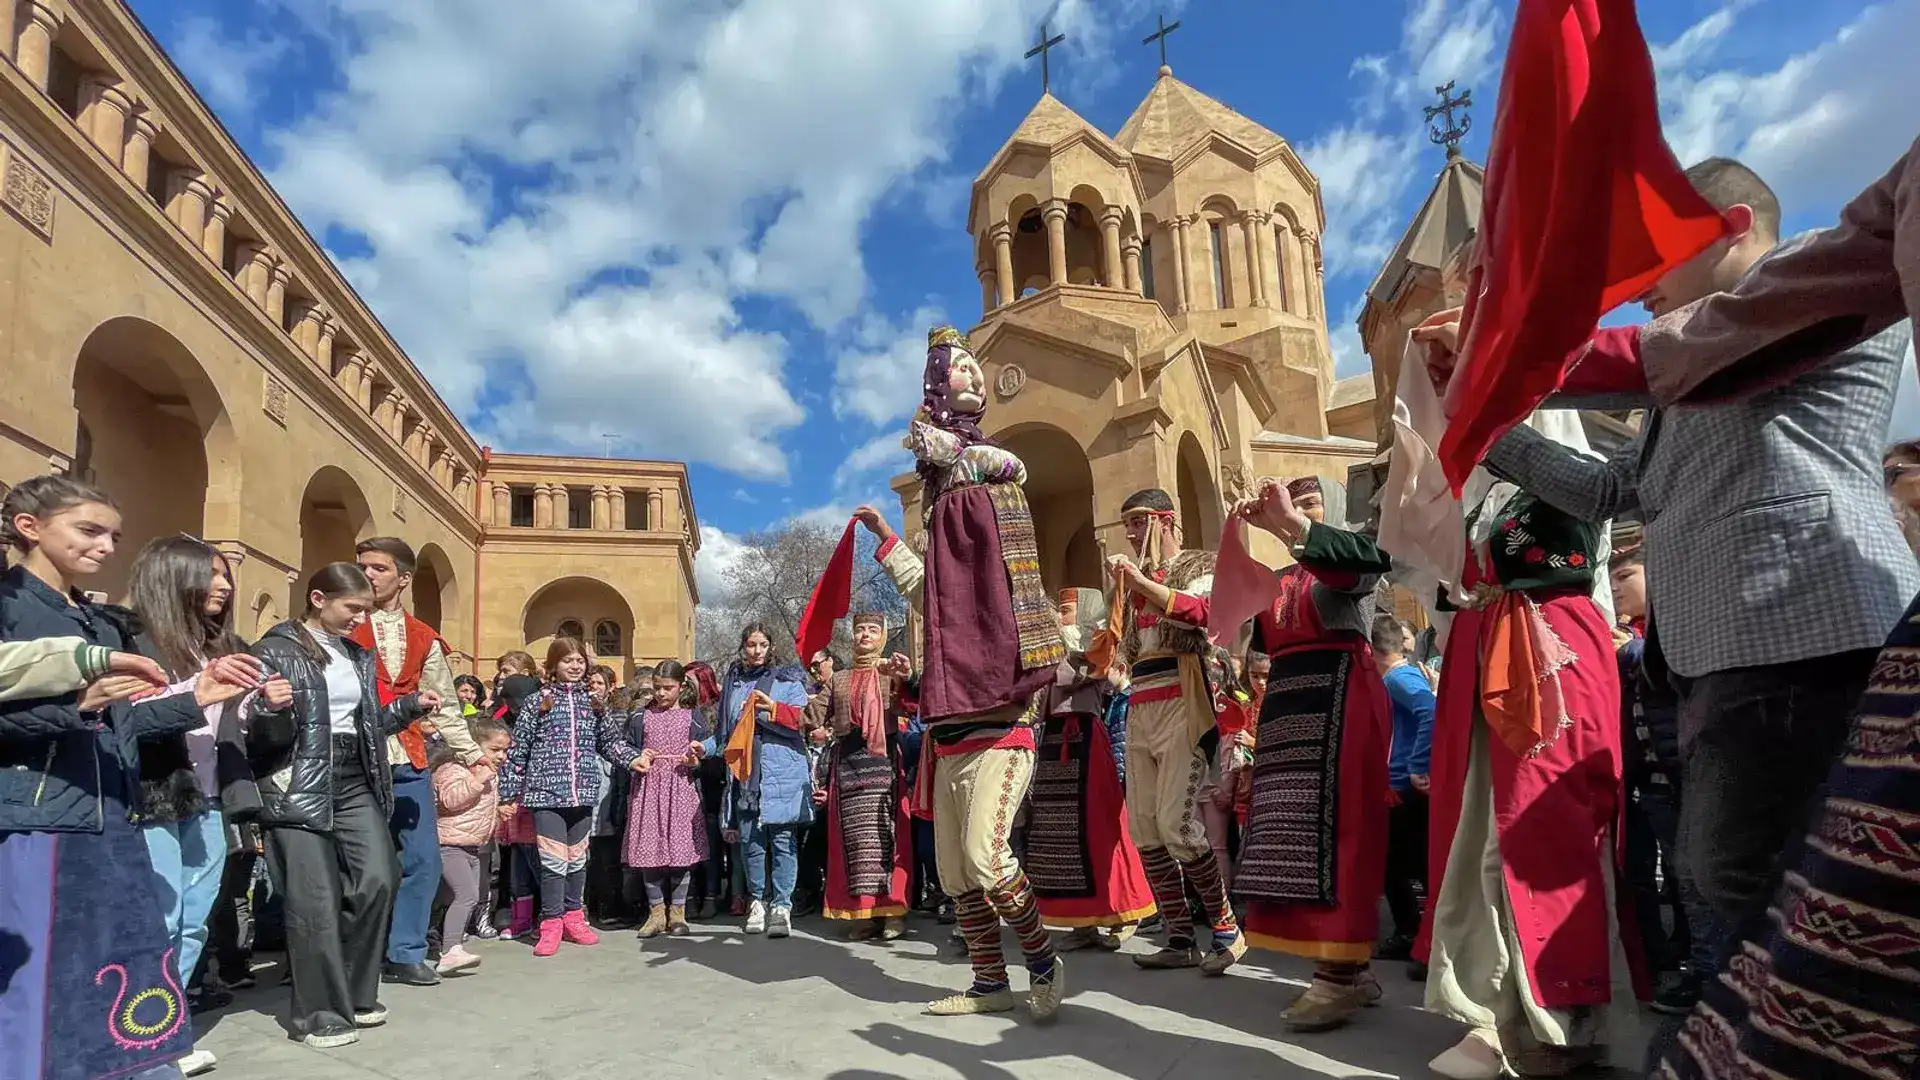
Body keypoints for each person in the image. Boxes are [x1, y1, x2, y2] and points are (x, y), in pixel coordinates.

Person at [1445, 159, 1918, 942]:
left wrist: (1504, 344)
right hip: (1717, 656)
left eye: (1652, 258)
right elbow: (1607, 492)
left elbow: (1658, 355)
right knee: (1738, 876)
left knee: (1760, 876)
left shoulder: (1808, 284)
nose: (1635, 287)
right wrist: (1486, 431)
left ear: (1732, 226)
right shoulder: (1690, 377)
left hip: (1801, 625)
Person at [0, 476, 264, 1080]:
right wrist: (77, 704)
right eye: (89, 531)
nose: (106, 547)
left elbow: (124, 722)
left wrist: (197, 696)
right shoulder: (11, 604)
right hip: (39, 814)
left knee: (119, 961)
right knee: (45, 976)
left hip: (108, 809)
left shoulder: (97, 619)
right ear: (29, 527)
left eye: (114, 535)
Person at [1412, 412, 1642, 1080]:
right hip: (1501, 650)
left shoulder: (1575, 482)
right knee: (1488, 831)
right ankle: (1498, 1017)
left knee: (1545, 831)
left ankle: (1557, 1017)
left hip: (1553, 651)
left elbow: (1567, 540)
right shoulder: (1486, 500)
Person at [873, 324, 1067, 1021]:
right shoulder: (944, 495)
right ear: (935, 384)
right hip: (949, 726)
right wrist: (886, 541)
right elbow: (937, 597)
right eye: (960, 370)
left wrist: (948, 449)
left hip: (1001, 719)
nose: (974, 378)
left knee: (988, 862)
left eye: (975, 369)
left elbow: (1002, 568)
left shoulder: (984, 478)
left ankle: (1043, 963)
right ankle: (990, 983)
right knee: (955, 875)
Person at [248, 562, 436, 1049]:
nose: (360, 619)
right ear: (317, 599)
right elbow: (252, 731)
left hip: (354, 775)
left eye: (366, 610)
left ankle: (353, 992)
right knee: (313, 899)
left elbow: (365, 724)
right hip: (297, 781)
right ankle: (318, 1014)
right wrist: (268, 708)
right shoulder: (273, 650)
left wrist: (410, 707)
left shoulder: (355, 655)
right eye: (353, 608)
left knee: (378, 877)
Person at [1228, 477, 1394, 1032]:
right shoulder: (1278, 579)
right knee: (1294, 831)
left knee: (1340, 828)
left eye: (1309, 503)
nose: (1296, 511)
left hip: (1341, 693)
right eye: (1292, 503)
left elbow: (1358, 570)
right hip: (1289, 703)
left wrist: (1292, 526)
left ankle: (1336, 978)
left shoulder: (1356, 550)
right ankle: (1353, 968)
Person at [119, 535, 263, 1072]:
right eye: (212, 575)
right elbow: (122, 723)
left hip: (210, 800)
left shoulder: (219, 647)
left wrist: (260, 707)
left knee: (194, 924)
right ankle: (137, 1043)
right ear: (170, 576)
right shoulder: (132, 638)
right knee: (159, 921)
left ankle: (163, 1031)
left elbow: (231, 730)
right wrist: (195, 695)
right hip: (153, 799)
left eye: (227, 575)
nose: (224, 586)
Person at [1108, 488, 1246, 976]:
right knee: (1143, 827)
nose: (1131, 531)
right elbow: (1122, 646)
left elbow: (1205, 614)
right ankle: (1180, 936)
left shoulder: (1198, 564)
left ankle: (1227, 929)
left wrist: (1142, 583)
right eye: (1126, 522)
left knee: (1177, 825)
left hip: (1183, 698)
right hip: (1140, 704)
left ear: (1167, 520)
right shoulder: (1133, 583)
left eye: (1140, 520)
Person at [348, 537, 480, 988]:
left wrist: (473, 754)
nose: (367, 574)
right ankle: (348, 954)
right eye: (362, 566)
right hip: (354, 759)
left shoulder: (424, 636)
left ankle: (404, 952)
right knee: (361, 865)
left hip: (409, 756)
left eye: (378, 568)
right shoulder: (342, 626)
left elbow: (442, 703)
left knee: (423, 860)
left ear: (403, 578)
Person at [1032, 589, 1157, 952]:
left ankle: (1125, 910)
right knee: (1063, 839)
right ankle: (1081, 920)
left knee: (1099, 829)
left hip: (1085, 739)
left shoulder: (1095, 648)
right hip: (1054, 741)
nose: (1059, 616)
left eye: (1066, 610)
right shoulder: (1054, 649)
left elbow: (1075, 675)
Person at [495, 637, 635, 956]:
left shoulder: (593, 703)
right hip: (546, 795)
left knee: (577, 860)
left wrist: (633, 759)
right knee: (553, 862)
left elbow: (610, 743)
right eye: (567, 660)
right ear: (553, 665)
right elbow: (518, 753)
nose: (574, 666)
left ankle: (574, 917)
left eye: (579, 661)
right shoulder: (537, 702)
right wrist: (507, 795)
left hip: (582, 793)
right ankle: (551, 922)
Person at [805, 612, 914, 941]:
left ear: (881, 636)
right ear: (851, 636)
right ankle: (866, 914)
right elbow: (810, 715)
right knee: (856, 844)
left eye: (872, 630)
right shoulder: (839, 679)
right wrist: (772, 710)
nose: (865, 635)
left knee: (887, 839)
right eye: (859, 630)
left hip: (884, 767)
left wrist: (904, 679)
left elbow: (912, 705)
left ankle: (894, 912)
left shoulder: (889, 671)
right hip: (848, 767)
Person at [708, 623, 812, 938]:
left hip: (781, 772)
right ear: (743, 646)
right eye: (751, 644)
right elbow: (725, 735)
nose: (756, 651)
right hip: (746, 776)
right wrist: (705, 748)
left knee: (782, 842)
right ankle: (757, 902)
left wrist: (763, 714)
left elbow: (802, 722)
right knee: (751, 843)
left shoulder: (788, 680)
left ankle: (782, 905)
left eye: (762, 644)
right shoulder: (733, 683)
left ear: (771, 647)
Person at [617, 660, 709, 938]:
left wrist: (696, 761)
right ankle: (656, 912)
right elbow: (625, 746)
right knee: (651, 852)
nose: (661, 694)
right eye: (657, 688)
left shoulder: (694, 717)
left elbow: (707, 754)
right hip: (649, 789)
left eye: (668, 688)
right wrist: (637, 757)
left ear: (681, 688)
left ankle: (678, 912)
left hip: (681, 787)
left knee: (680, 854)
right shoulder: (640, 717)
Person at [1373, 615, 1435, 969]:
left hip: (1404, 788)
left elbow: (1429, 710)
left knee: (1405, 867)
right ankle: (1414, 935)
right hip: (1397, 786)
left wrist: (1417, 765)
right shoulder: (1394, 678)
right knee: (1400, 866)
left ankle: (1416, 936)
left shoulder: (1400, 677)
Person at [431, 716, 510, 976]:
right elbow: (450, 800)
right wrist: (477, 781)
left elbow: (477, 810)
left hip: (473, 845)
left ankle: (442, 941)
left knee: (460, 896)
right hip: (450, 844)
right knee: (466, 895)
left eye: (505, 750)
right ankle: (450, 949)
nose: (501, 756)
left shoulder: (489, 774)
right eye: (495, 749)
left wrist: (499, 812)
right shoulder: (453, 769)